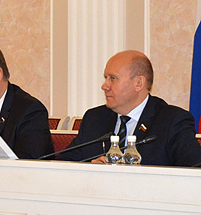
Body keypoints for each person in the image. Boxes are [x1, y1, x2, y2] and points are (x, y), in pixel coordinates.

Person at [58, 50, 201, 166]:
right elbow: (63, 165)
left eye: (113, 78)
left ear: (139, 83)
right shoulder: (95, 118)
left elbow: (194, 171)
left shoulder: (172, 121)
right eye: (105, 78)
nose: (104, 86)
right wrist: (91, 167)